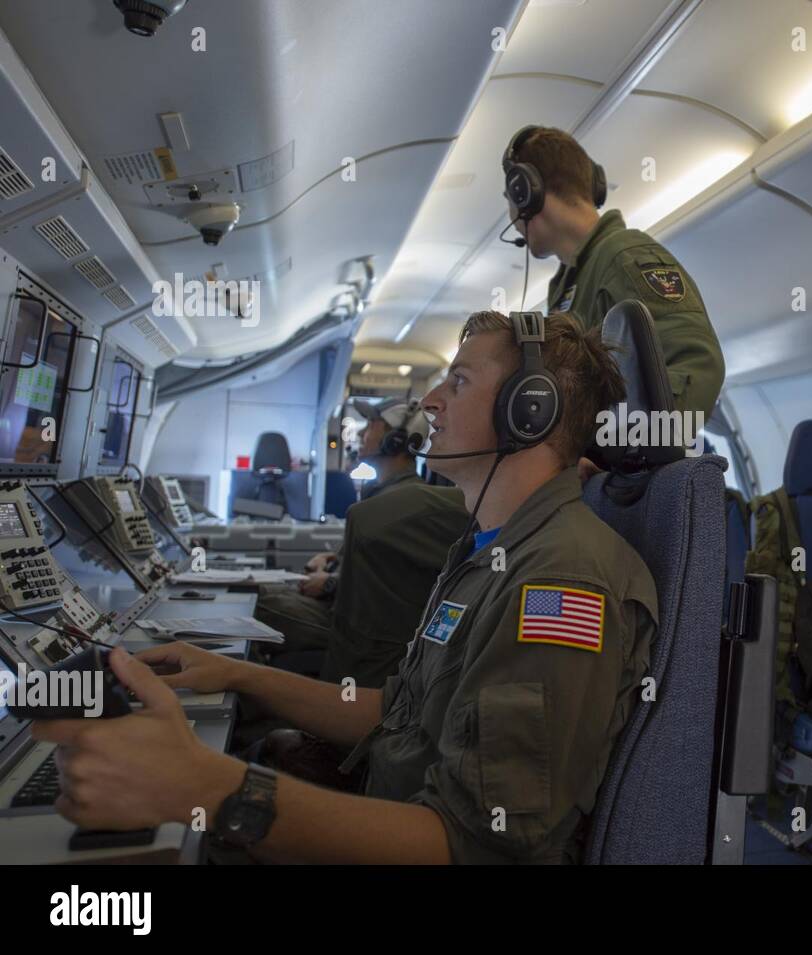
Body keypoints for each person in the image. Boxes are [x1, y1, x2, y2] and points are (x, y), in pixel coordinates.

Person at [34, 311, 657, 864]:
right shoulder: (487, 551)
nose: (432, 401)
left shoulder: (561, 584)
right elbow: (401, 713)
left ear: (529, 411)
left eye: (459, 381)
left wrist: (204, 788)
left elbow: (473, 844)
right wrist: (238, 676)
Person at [501, 125, 725, 422]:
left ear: (526, 192)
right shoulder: (569, 282)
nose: (512, 218)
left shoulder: (625, 257)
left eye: (510, 198)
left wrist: (619, 453)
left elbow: (696, 367)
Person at [255, 398, 439, 658]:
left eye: (372, 425)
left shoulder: (403, 502)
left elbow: (391, 584)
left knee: (259, 601)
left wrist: (330, 583)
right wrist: (331, 560)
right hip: (346, 611)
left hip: (356, 629)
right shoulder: (387, 494)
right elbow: (374, 561)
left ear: (396, 440)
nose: (363, 433)